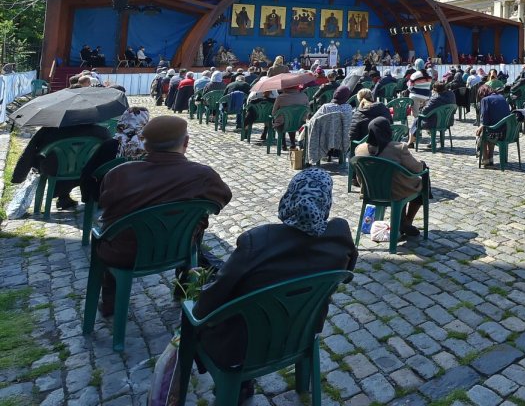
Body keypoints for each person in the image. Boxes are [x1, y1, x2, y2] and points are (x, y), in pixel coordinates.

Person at [191, 168, 355, 403]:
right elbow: (346, 274)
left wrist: (195, 310)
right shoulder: (340, 236)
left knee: (194, 317)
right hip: (302, 329)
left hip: (244, 344)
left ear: (290, 196)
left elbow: (211, 300)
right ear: (326, 200)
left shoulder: (258, 241)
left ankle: (236, 386)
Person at [95, 116, 232, 316]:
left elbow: (106, 207)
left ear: (145, 145)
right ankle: (184, 287)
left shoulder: (119, 173)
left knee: (110, 231)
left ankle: (111, 302)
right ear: (186, 143)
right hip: (179, 248)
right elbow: (221, 200)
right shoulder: (203, 175)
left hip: (123, 253)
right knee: (197, 221)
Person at [12, 118, 114, 211]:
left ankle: (63, 196)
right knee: (92, 162)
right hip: (87, 170)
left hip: (55, 169)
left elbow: (29, 151)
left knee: (53, 161)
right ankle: (91, 197)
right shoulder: (101, 132)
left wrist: (19, 176)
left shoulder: (47, 131)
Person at [354, 117, 429, 237]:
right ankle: (407, 222)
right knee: (421, 182)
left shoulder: (359, 149)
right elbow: (417, 169)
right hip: (396, 192)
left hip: (371, 191)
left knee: (400, 180)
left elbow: (358, 176)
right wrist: (423, 165)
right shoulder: (398, 148)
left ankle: (403, 221)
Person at [475, 79, 512, 167]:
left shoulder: (485, 100)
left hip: (496, 133)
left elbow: (485, 119)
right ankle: (490, 157)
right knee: (491, 128)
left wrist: (481, 126)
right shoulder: (502, 97)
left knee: (481, 133)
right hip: (506, 132)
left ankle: (484, 158)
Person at [409, 81, 455, 148]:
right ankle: (432, 141)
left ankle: (410, 142)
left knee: (418, 119)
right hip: (448, 121)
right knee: (428, 118)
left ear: (435, 90)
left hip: (436, 123)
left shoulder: (436, 99)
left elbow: (424, 112)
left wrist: (423, 107)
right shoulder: (451, 94)